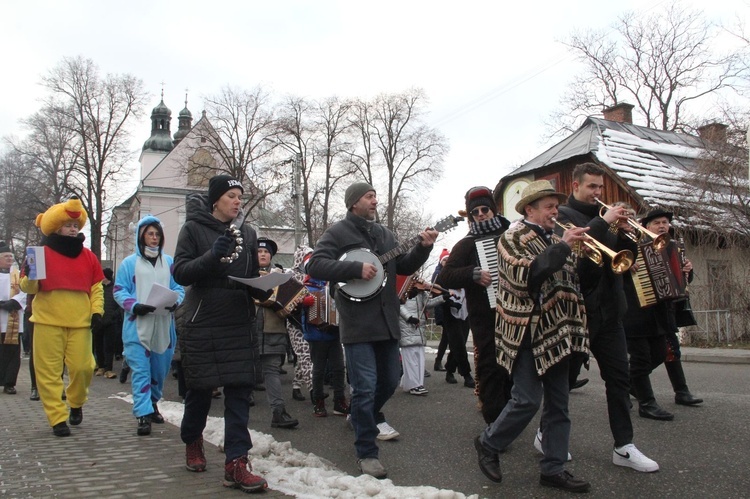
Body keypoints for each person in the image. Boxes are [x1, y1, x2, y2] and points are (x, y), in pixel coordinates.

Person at [306, 181, 438, 479]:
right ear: (354, 202)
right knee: (364, 386)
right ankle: (367, 451)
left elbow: (402, 263)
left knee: (390, 380)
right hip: (357, 321)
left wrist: (424, 247)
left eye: (376, 195)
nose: (375, 200)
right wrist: (354, 269)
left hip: (387, 319)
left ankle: (360, 414)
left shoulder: (384, 234)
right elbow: (315, 265)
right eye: (369, 196)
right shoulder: (337, 233)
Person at [473, 180, 591, 492]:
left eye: (556, 205)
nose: (556, 211)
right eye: (549, 206)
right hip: (526, 330)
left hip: (559, 332)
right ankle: (488, 442)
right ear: (530, 209)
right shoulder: (512, 237)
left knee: (559, 404)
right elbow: (528, 275)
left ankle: (553, 469)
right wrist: (564, 246)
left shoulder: (554, 236)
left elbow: (572, 280)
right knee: (526, 399)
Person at [556, 162, 659, 472]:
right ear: (576, 187)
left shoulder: (605, 218)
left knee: (619, 377)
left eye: (600, 188)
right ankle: (548, 433)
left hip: (612, 311)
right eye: (592, 187)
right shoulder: (563, 217)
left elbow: (622, 261)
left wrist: (627, 233)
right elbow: (581, 264)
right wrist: (605, 223)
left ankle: (624, 446)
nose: (598, 193)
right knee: (566, 380)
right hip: (580, 312)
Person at [173, 174, 269, 493]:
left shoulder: (249, 233)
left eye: (240, 196)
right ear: (216, 200)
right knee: (199, 391)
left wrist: (267, 291)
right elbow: (182, 272)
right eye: (231, 195)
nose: (238, 201)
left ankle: (236, 463)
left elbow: (253, 277)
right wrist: (213, 254)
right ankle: (192, 439)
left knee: (240, 391)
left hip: (239, 318)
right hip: (203, 317)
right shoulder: (193, 228)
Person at [19, 197, 104, 437]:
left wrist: (97, 311)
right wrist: (32, 274)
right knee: (48, 372)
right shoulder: (40, 253)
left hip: (79, 322)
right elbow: (29, 288)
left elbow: (96, 287)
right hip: (47, 321)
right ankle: (57, 418)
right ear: (57, 228)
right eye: (68, 225)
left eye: (75, 226)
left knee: (83, 367)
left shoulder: (88, 256)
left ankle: (76, 402)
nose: (72, 229)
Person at [435, 186, 512, 424]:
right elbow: (445, 277)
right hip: (484, 317)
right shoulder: (467, 244)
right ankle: (494, 422)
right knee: (490, 367)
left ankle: (511, 412)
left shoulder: (512, 234)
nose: (480, 214)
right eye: (475, 211)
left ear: (493, 210)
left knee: (513, 367)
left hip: (516, 313)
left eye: (484, 209)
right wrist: (473, 274)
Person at [114, 216, 184, 436]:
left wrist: (175, 302)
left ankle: (153, 403)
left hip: (163, 326)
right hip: (137, 326)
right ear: (141, 236)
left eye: (157, 234)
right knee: (141, 371)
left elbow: (178, 288)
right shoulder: (129, 264)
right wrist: (134, 306)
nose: (154, 238)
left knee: (159, 370)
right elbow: (119, 290)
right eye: (150, 234)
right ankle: (142, 414)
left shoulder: (169, 263)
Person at [639, 209, 703, 407]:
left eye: (664, 222)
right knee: (650, 353)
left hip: (668, 308)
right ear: (647, 226)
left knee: (672, 350)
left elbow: (681, 280)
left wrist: (688, 270)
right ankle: (633, 382)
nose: (661, 226)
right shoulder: (640, 247)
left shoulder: (674, 246)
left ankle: (681, 392)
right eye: (656, 222)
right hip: (645, 309)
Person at [297, 246, 349, 417]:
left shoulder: (332, 285)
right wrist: (303, 303)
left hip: (334, 332)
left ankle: (339, 401)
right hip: (316, 335)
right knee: (318, 369)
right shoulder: (305, 286)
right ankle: (318, 401)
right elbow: (294, 309)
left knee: (339, 367)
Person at [254, 236, 299, 429]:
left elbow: (290, 305)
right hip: (248, 327)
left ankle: (278, 412)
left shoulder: (281, 276)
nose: (262, 254)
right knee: (244, 370)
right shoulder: (245, 274)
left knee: (272, 370)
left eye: (265, 252)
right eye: (259, 252)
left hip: (273, 329)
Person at [398, 281, 444, 395]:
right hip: (407, 325)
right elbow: (398, 305)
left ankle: (412, 383)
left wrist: (443, 297)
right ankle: (414, 385)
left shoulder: (420, 292)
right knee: (410, 358)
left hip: (419, 326)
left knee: (419, 358)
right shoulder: (402, 288)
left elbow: (427, 304)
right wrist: (409, 318)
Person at [0, 241, 27, 395]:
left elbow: (26, 290)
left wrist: (15, 301)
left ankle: (9, 383)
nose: (10, 259)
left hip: (13, 317)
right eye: (6, 256)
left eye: (11, 256)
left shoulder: (17, 274)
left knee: (12, 354)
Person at [439, 287, 475, 388]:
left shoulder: (465, 289)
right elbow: (439, 301)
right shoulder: (446, 288)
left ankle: (449, 370)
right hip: (451, 319)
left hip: (465, 318)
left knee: (459, 346)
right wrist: (452, 304)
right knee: (459, 345)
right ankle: (466, 375)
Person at [93, 267, 120, 379]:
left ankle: (109, 369)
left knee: (109, 346)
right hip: (99, 321)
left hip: (111, 322)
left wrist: (113, 316)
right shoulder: (99, 287)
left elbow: (119, 305)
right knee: (98, 345)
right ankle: (101, 366)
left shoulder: (115, 288)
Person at [431, 249, 450, 372]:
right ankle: (439, 361)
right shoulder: (437, 273)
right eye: (445, 260)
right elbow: (434, 291)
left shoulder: (449, 271)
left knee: (447, 336)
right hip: (442, 306)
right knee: (447, 336)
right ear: (441, 261)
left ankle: (440, 361)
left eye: (448, 259)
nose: (447, 262)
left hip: (449, 305)